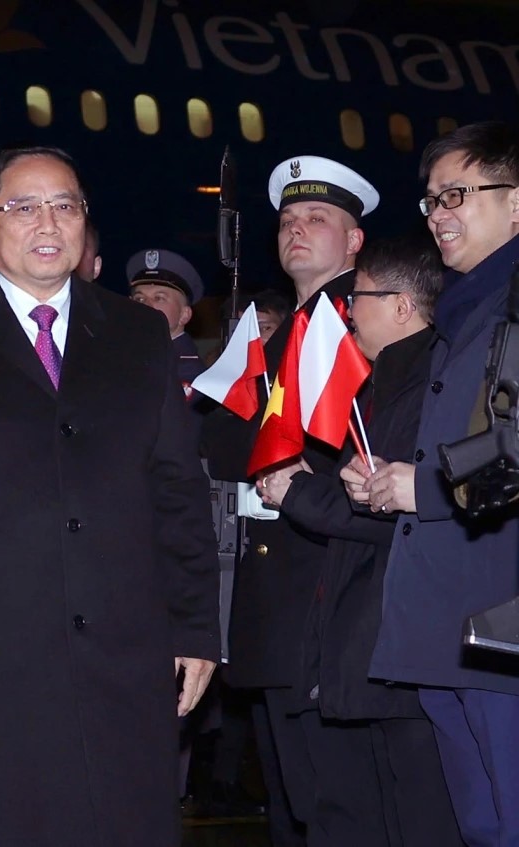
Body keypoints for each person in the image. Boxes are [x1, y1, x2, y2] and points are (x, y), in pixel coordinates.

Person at [0, 145, 220, 847]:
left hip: (124, 662)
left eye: (65, 205)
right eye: (23, 207)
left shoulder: (137, 335)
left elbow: (177, 489)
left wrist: (195, 627)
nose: (47, 222)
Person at [347, 121, 519, 847]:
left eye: (457, 194)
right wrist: (392, 481)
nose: (438, 213)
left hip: (503, 618)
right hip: (453, 624)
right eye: (431, 200)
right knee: (481, 824)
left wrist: (426, 487)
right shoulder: (465, 309)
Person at [258, 235, 460, 847]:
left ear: (401, 306)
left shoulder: (432, 385)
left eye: (359, 298)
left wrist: (299, 493)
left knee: (419, 820)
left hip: (403, 652)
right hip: (370, 652)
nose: (347, 312)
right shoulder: (385, 385)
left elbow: (396, 511)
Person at [203, 154, 380, 847]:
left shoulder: (358, 327)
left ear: (355, 240)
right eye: (286, 221)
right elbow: (231, 450)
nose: (296, 230)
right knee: (295, 806)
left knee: (337, 807)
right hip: (277, 605)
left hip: (326, 600)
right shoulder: (288, 334)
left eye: (316, 218)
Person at [127, 248, 204, 384]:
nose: (146, 306)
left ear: (184, 315)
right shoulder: (124, 357)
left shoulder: (188, 373)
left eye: (159, 298)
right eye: (140, 299)